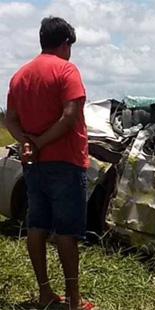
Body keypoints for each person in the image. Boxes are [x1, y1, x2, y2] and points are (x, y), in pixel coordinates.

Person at [5, 16, 93, 310]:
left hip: (34, 165)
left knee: (37, 226)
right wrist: (40, 142)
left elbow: (11, 118)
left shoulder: (20, 76)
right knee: (67, 233)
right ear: (65, 43)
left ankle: (45, 292)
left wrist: (26, 142)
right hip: (66, 163)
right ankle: (73, 299)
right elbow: (70, 116)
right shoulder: (66, 70)